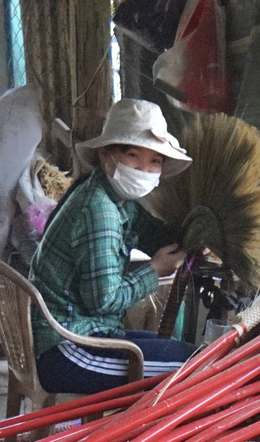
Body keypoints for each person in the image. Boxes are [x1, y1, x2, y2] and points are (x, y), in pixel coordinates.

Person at [27, 98, 197, 396]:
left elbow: (151, 233)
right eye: (134, 156)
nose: (144, 169)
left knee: (185, 351)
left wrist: (195, 238)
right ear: (106, 155)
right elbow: (103, 301)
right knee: (199, 366)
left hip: (82, 334)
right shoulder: (99, 210)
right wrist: (154, 270)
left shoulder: (110, 195)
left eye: (155, 161)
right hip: (70, 350)